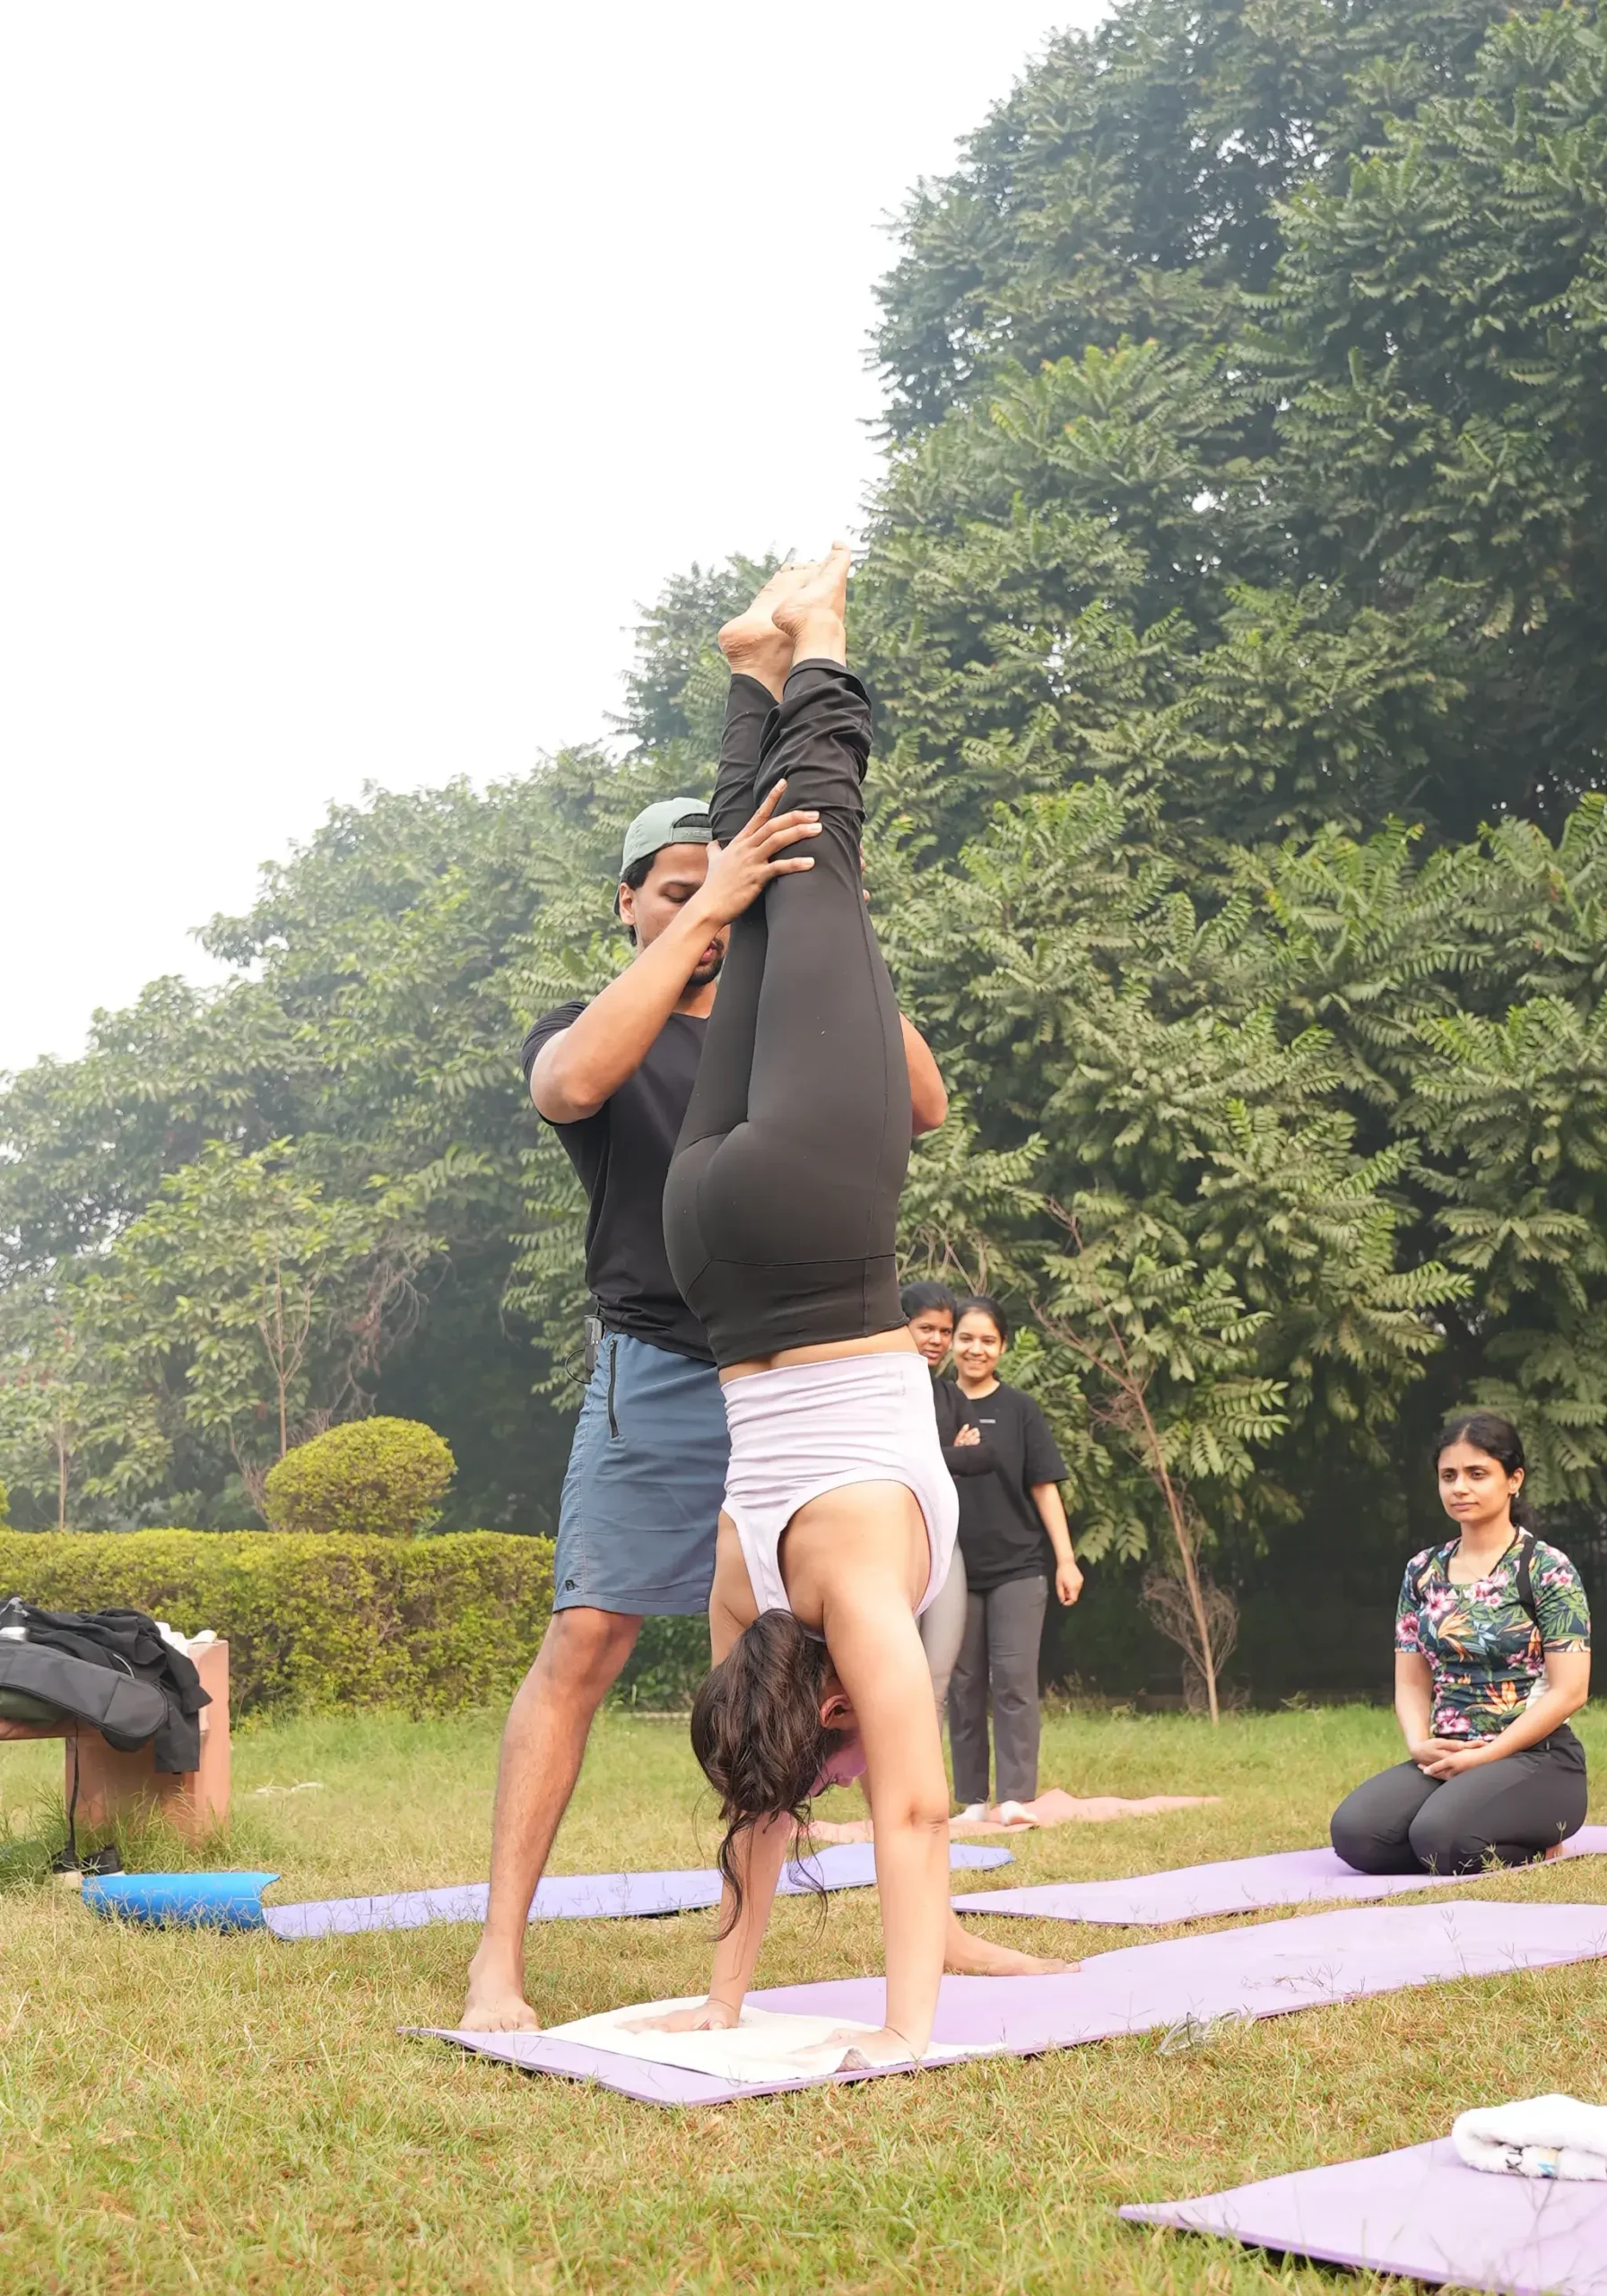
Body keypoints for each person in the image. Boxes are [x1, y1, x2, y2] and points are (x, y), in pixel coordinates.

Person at [462, 563, 950, 2034]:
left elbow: (915, 1100)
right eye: (674, 890)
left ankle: (777, 661)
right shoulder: (600, 1013)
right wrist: (742, 910)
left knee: (788, 1689)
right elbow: (569, 1084)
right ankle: (499, 1956)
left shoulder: (743, 1001)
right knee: (593, 1643)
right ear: (628, 906)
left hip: (757, 1329)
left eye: (710, 881)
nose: (705, 901)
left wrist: (802, 951)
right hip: (679, 1364)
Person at [645, 543, 1051, 2067]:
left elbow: (912, 1800)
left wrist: (903, 2029)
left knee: (814, 874)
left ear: (806, 1710)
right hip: (713, 1254)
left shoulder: (845, 1596)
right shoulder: (740, 1602)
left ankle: (819, 649)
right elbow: (769, 1800)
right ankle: (757, 673)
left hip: (814, 1229)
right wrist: (727, 1996)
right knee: (753, 919)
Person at [1330, 1412, 1591, 1874]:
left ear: (1514, 1480)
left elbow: (1571, 1691)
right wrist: (1418, 1744)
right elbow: (1411, 1683)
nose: (1460, 1488)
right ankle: (1449, 1832)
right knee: (1356, 1833)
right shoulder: (1422, 1572)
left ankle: (1537, 1842)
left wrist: (1488, 1755)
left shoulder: (1545, 1569)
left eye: (1477, 1474)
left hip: (1538, 1760)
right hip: (1450, 1752)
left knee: (1441, 1838)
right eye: (1448, 1476)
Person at [944, 1296, 1082, 1815]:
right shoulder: (934, 1405)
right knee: (963, 1688)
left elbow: (1045, 1487)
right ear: (952, 1342)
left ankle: (1016, 1798)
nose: (975, 1349)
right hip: (952, 1569)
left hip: (1018, 1569)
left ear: (1001, 1348)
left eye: (987, 1340)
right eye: (966, 1337)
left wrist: (1065, 1559)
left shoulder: (1020, 1409)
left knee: (1015, 1683)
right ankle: (973, 1801)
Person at [900, 1276, 987, 1714]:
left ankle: (927, 1786)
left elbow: (982, 1458)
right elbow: (901, 1460)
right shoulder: (883, 1391)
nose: (937, 1340)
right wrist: (953, 1452)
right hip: (892, 1544)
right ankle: (883, 1784)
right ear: (903, 1327)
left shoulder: (949, 1395)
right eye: (926, 1328)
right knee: (896, 1677)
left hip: (944, 1543)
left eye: (944, 1331)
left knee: (936, 1680)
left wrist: (936, 1457)